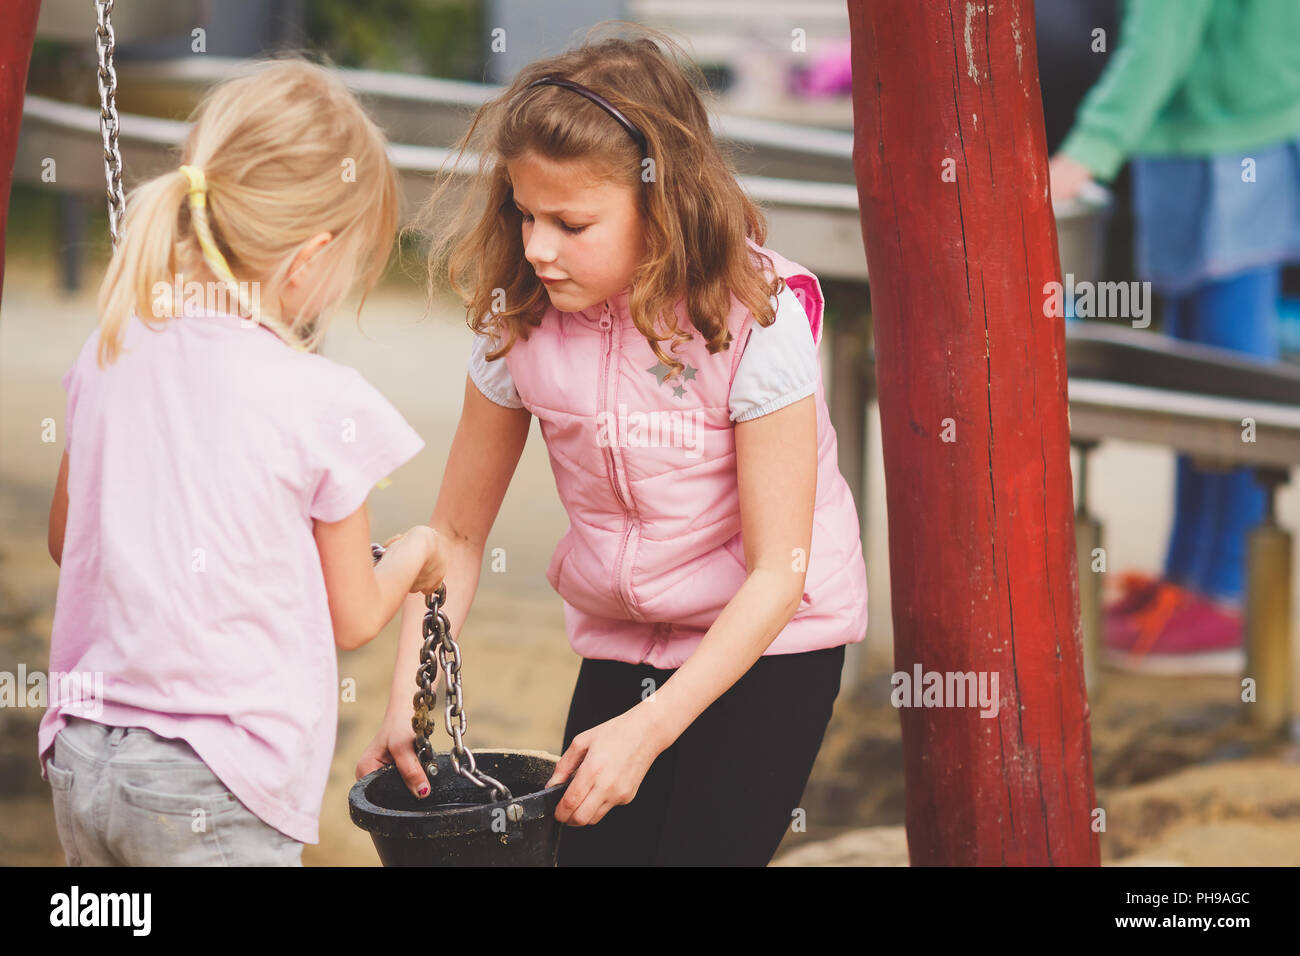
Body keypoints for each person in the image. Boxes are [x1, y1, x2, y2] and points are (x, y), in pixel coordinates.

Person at [355, 25, 869, 866]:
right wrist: (412, 699)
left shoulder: (753, 319)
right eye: (523, 213)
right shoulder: (518, 317)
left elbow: (783, 569)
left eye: (571, 221)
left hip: (772, 642)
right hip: (626, 640)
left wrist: (652, 730)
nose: (536, 246)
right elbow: (454, 537)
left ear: (663, 205)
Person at [40, 58, 445, 866]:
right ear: (308, 259)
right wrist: (422, 554)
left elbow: (65, 538)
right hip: (214, 786)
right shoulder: (319, 397)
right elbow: (355, 615)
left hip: (86, 762)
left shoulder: (113, 346)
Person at [1049, 0, 1300, 674]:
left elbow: (1163, 34)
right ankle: (1189, 575)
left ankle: (1225, 592)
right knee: (1196, 369)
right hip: (1216, 127)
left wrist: (1086, 151)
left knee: (1229, 374)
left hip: (1229, 138)